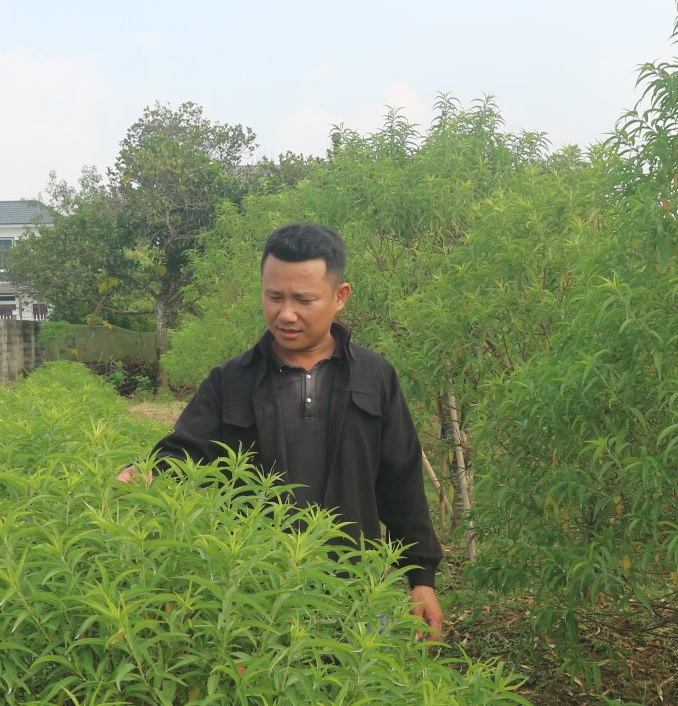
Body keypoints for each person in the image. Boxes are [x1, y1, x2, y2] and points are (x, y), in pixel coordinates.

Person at [122, 222, 445, 637]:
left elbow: (400, 480)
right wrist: (146, 473)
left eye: (303, 299)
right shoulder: (231, 381)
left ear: (339, 297)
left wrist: (422, 578)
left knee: (355, 695)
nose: (285, 313)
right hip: (256, 596)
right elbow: (185, 453)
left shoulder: (375, 376)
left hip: (356, 589)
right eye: (274, 297)